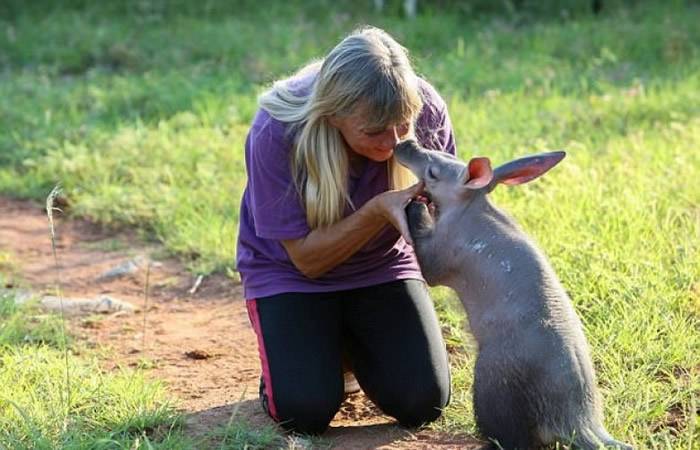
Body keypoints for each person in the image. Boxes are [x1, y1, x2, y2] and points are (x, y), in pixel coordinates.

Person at [236, 26, 456, 435]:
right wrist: (377, 211)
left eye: (402, 126)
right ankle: (315, 353)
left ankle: (347, 344)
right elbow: (307, 260)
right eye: (374, 132)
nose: (392, 143)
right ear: (334, 115)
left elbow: (447, 209)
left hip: (382, 265)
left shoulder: (426, 109)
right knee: (303, 411)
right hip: (291, 273)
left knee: (423, 400)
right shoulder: (276, 129)